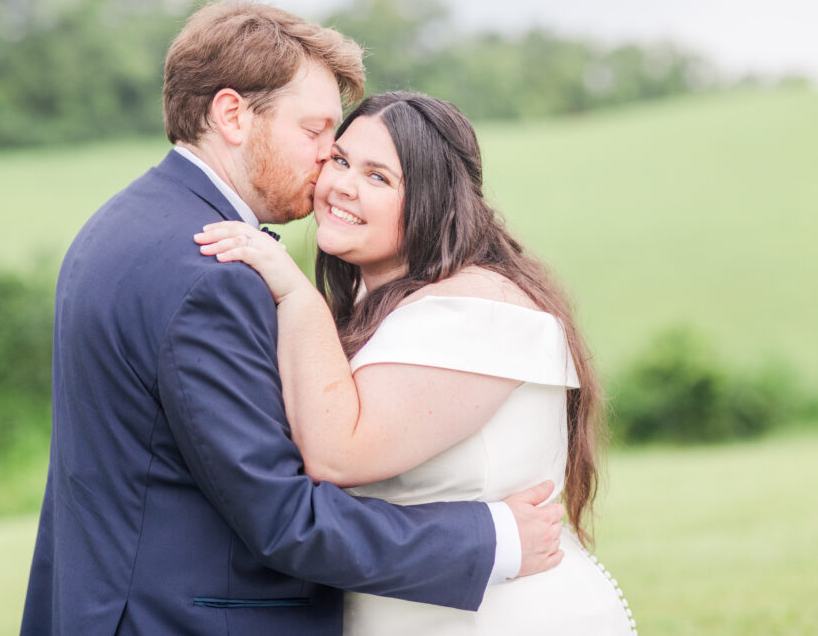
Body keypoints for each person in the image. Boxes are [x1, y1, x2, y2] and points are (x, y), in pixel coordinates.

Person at [21, 1, 565, 635]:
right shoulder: (214, 270)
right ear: (232, 115)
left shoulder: (123, 225)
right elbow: (283, 519)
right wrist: (495, 538)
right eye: (315, 132)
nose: (327, 159)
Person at [196, 91, 637, 634]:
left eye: (378, 177)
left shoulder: (475, 308)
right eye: (340, 159)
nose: (342, 186)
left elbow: (337, 456)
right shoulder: (379, 304)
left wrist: (296, 294)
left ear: (434, 200)